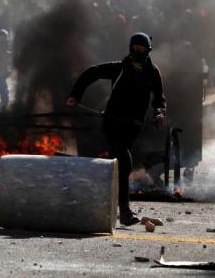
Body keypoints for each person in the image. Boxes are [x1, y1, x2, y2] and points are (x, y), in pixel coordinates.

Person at [66, 33, 166, 226]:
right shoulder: (120, 68)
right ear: (130, 48)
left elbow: (159, 98)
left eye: (142, 50)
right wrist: (76, 94)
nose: (138, 53)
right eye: (135, 49)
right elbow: (92, 72)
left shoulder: (153, 73)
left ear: (148, 51)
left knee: (118, 163)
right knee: (124, 160)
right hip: (112, 122)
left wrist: (159, 113)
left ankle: (104, 206)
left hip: (133, 126)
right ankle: (125, 211)